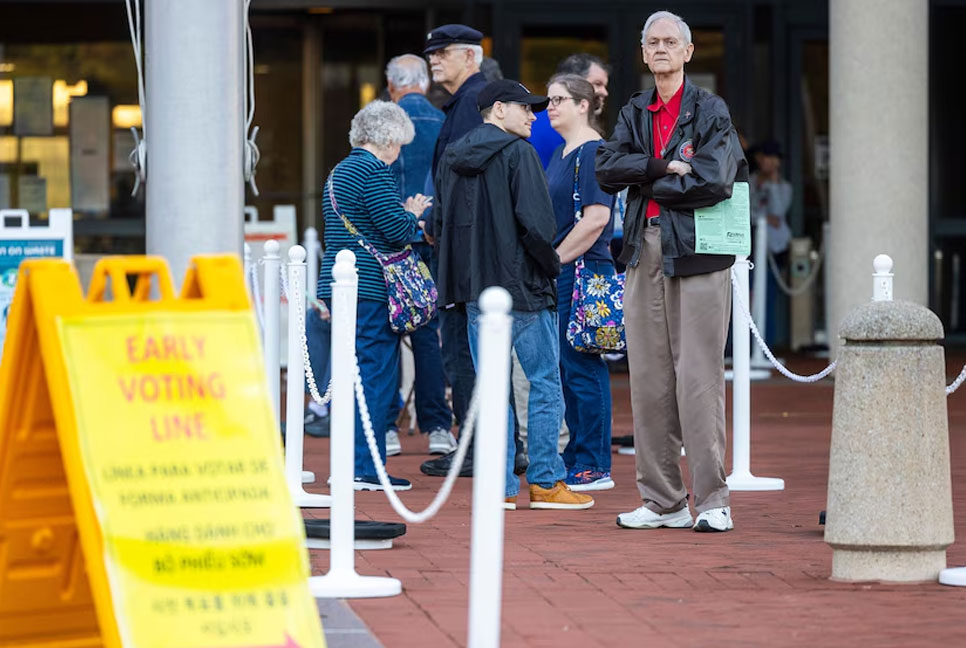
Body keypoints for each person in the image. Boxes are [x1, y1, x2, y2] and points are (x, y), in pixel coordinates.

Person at [596, 10, 748, 531]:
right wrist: (662, 167)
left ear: (687, 52)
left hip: (699, 252)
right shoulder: (634, 110)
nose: (661, 48)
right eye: (652, 42)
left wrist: (645, 182)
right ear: (643, 54)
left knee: (699, 374)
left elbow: (714, 179)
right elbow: (605, 167)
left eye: (670, 42)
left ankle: (713, 501)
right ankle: (663, 501)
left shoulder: (710, 110)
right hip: (644, 247)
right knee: (649, 376)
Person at [435, 79, 594, 511]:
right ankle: (545, 480)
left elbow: (441, 224)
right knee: (545, 383)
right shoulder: (518, 153)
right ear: (499, 109)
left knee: (492, 389)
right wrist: (550, 266)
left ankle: (500, 487)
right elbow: (538, 225)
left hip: (474, 292)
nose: (533, 115)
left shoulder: (452, 156)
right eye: (525, 108)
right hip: (521, 287)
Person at [317, 100, 432, 491]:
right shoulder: (373, 171)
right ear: (386, 138)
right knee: (376, 374)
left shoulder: (339, 172)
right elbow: (395, 229)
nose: (400, 151)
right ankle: (366, 467)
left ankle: (352, 462)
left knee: (353, 373)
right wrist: (413, 212)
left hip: (341, 282)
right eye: (399, 143)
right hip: (370, 287)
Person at [419, 24, 490, 478]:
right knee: (464, 347)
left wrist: (432, 221)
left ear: (470, 56)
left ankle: (477, 445)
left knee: (463, 349)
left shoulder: (470, 103)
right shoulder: (465, 102)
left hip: (463, 250)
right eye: (430, 55)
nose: (434, 60)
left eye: (442, 53)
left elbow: (462, 181)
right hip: (464, 246)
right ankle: (479, 443)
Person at [544, 73, 616, 492]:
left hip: (584, 269)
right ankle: (579, 455)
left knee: (583, 366)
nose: (551, 107)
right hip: (565, 269)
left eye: (560, 99)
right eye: (550, 100)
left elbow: (597, 218)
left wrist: (553, 260)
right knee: (569, 368)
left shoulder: (592, 152)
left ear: (583, 104)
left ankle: (594, 462)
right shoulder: (561, 152)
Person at [383, 54, 457, 457]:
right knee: (428, 332)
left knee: (386, 332)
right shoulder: (443, 122)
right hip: (429, 236)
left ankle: (387, 426)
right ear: (425, 83)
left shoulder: (380, 122)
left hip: (388, 239)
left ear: (392, 84)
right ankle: (438, 426)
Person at [530, 53, 610, 168]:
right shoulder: (563, 128)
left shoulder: (531, 122)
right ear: (575, 83)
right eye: (597, 84)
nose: (604, 92)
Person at [750, 139, 792, 345]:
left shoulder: (784, 187)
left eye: (773, 159)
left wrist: (773, 184)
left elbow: (779, 211)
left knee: (769, 297)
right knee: (748, 296)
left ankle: (766, 344)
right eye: (766, 158)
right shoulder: (750, 181)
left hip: (775, 248)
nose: (769, 163)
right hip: (752, 245)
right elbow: (747, 211)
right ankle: (742, 347)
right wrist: (763, 219)